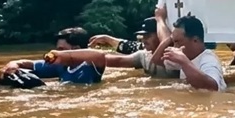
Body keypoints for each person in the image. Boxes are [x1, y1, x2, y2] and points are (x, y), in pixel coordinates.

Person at [48, 15, 180, 79]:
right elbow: (116, 60)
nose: (144, 40)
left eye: (148, 36)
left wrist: (160, 18)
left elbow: (166, 41)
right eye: (143, 36)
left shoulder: (175, 55)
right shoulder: (144, 55)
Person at [0, 27, 103, 85]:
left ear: (76, 49)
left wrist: (62, 55)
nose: (57, 52)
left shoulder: (91, 65)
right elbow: (27, 64)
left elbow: (99, 54)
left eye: (61, 49)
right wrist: (12, 65)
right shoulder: (60, 66)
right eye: (58, 49)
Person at [150, 15, 226, 92]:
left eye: (178, 42)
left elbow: (213, 87)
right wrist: (169, 39)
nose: (175, 47)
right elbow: (156, 60)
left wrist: (184, 62)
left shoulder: (209, 59)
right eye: (173, 42)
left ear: (195, 40)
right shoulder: (186, 57)